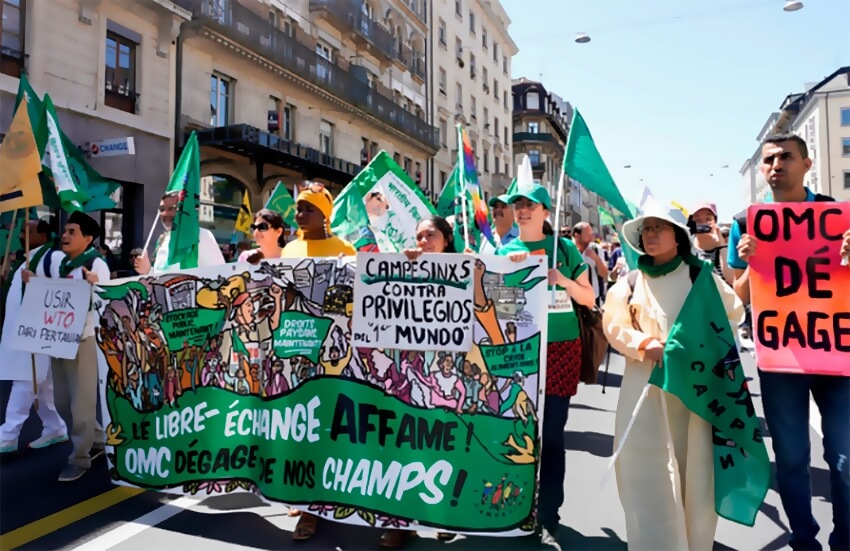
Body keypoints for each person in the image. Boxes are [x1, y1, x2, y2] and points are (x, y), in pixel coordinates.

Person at [729, 133, 849, 551]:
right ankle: (804, 540)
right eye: (768, 160)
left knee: (845, 459)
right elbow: (737, 298)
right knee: (793, 457)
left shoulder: (839, 215)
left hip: (837, 355)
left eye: (785, 157)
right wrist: (747, 263)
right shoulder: (746, 223)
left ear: (806, 164)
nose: (776, 165)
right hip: (782, 358)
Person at [602, 203, 743, 550]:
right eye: (646, 229)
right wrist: (644, 344)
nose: (650, 235)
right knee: (644, 473)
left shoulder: (701, 278)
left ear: (678, 238)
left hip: (694, 394)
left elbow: (733, 314)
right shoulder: (630, 282)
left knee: (695, 474)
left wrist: (696, 343)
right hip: (644, 391)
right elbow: (613, 324)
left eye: (658, 228)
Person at [496, 183, 595, 543]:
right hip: (519, 351)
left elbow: (589, 297)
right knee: (518, 433)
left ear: (545, 212)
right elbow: (496, 302)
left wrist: (561, 280)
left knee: (551, 433)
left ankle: (550, 511)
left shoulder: (564, 248)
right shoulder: (503, 250)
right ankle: (517, 506)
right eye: (517, 205)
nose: (522, 210)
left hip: (560, 349)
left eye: (529, 205)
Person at [284, 182, 355, 542]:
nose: (299, 215)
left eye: (307, 209)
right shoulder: (290, 248)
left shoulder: (343, 248)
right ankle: (308, 504)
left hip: (332, 350)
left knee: (330, 423)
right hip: (295, 350)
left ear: (324, 214)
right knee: (302, 425)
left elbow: (351, 297)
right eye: (297, 209)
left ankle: (332, 493)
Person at [23, 212, 111, 482]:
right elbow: (54, 294)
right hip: (59, 340)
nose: (65, 235)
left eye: (72, 232)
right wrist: (32, 282)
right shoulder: (61, 265)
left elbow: (109, 298)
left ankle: (80, 459)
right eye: (65, 231)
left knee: (81, 404)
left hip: (83, 340)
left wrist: (98, 284)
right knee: (62, 400)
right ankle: (97, 439)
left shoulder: (96, 265)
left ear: (88, 238)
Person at [0, 220, 67, 453]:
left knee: (25, 381)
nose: (21, 235)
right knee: (43, 386)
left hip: (38, 333)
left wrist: (37, 283)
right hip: (22, 333)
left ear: (42, 233)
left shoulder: (53, 258)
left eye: (28, 231)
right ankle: (55, 427)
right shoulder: (25, 261)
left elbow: (67, 290)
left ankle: (7, 435)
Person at [134, 191, 225, 274]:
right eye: (162, 209)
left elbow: (222, 274)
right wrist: (148, 271)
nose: (165, 214)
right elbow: (161, 281)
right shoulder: (163, 240)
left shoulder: (201, 236)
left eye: (171, 208)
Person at [281, 182, 356, 259]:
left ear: (324, 215)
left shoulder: (345, 249)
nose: (301, 215)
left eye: (310, 210)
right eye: (299, 210)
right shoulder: (288, 250)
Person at [689, 201, 733, 285]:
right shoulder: (688, 249)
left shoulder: (725, 248)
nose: (703, 223)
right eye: (697, 220)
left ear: (715, 222)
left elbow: (731, 279)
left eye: (708, 219)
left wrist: (721, 245)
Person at [572, 222, 608, 306]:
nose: (592, 238)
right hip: (573, 300)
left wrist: (597, 259)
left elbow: (604, 274)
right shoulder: (569, 250)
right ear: (577, 235)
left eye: (592, 234)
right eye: (588, 235)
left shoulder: (596, 249)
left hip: (593, 300)